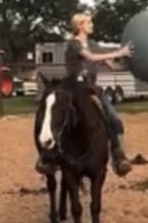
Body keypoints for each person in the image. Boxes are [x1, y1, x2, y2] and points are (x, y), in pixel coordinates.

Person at [36, 12, 135, 177]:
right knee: (53, 116)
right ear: (80, 25)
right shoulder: (74, 44)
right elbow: (91, 57)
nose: (92, 25)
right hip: (73, 88)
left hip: (91, 89)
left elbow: (112, 66)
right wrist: (118, 52)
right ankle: (48, 158)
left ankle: (118, 155)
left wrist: (130, 61)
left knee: (113, 118)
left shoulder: (93, 44)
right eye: (89, 22)